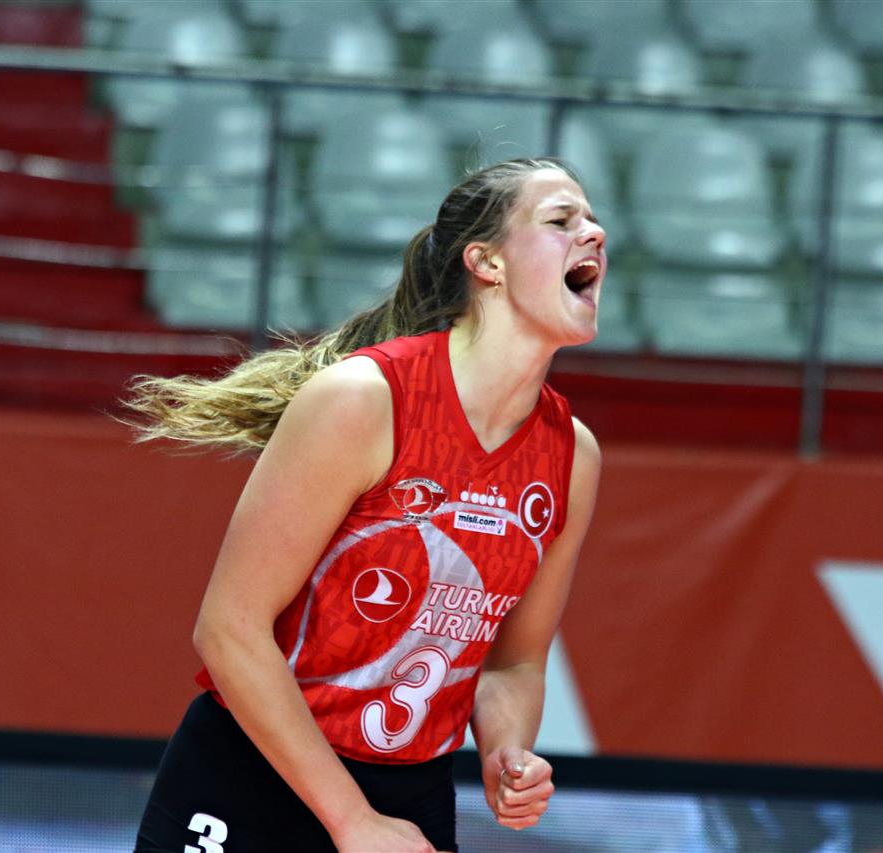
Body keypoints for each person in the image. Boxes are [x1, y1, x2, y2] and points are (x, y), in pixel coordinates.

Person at [124, 157, 605, 853]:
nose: (593, 233)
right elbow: (229, 630)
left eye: (592, 219)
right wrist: (352, 821)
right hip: (254, 779)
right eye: (561, 220)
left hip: (410, 793)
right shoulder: (364, 400)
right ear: (487, 263)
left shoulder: (571, 455)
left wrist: (507, 752)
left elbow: (515, 663)